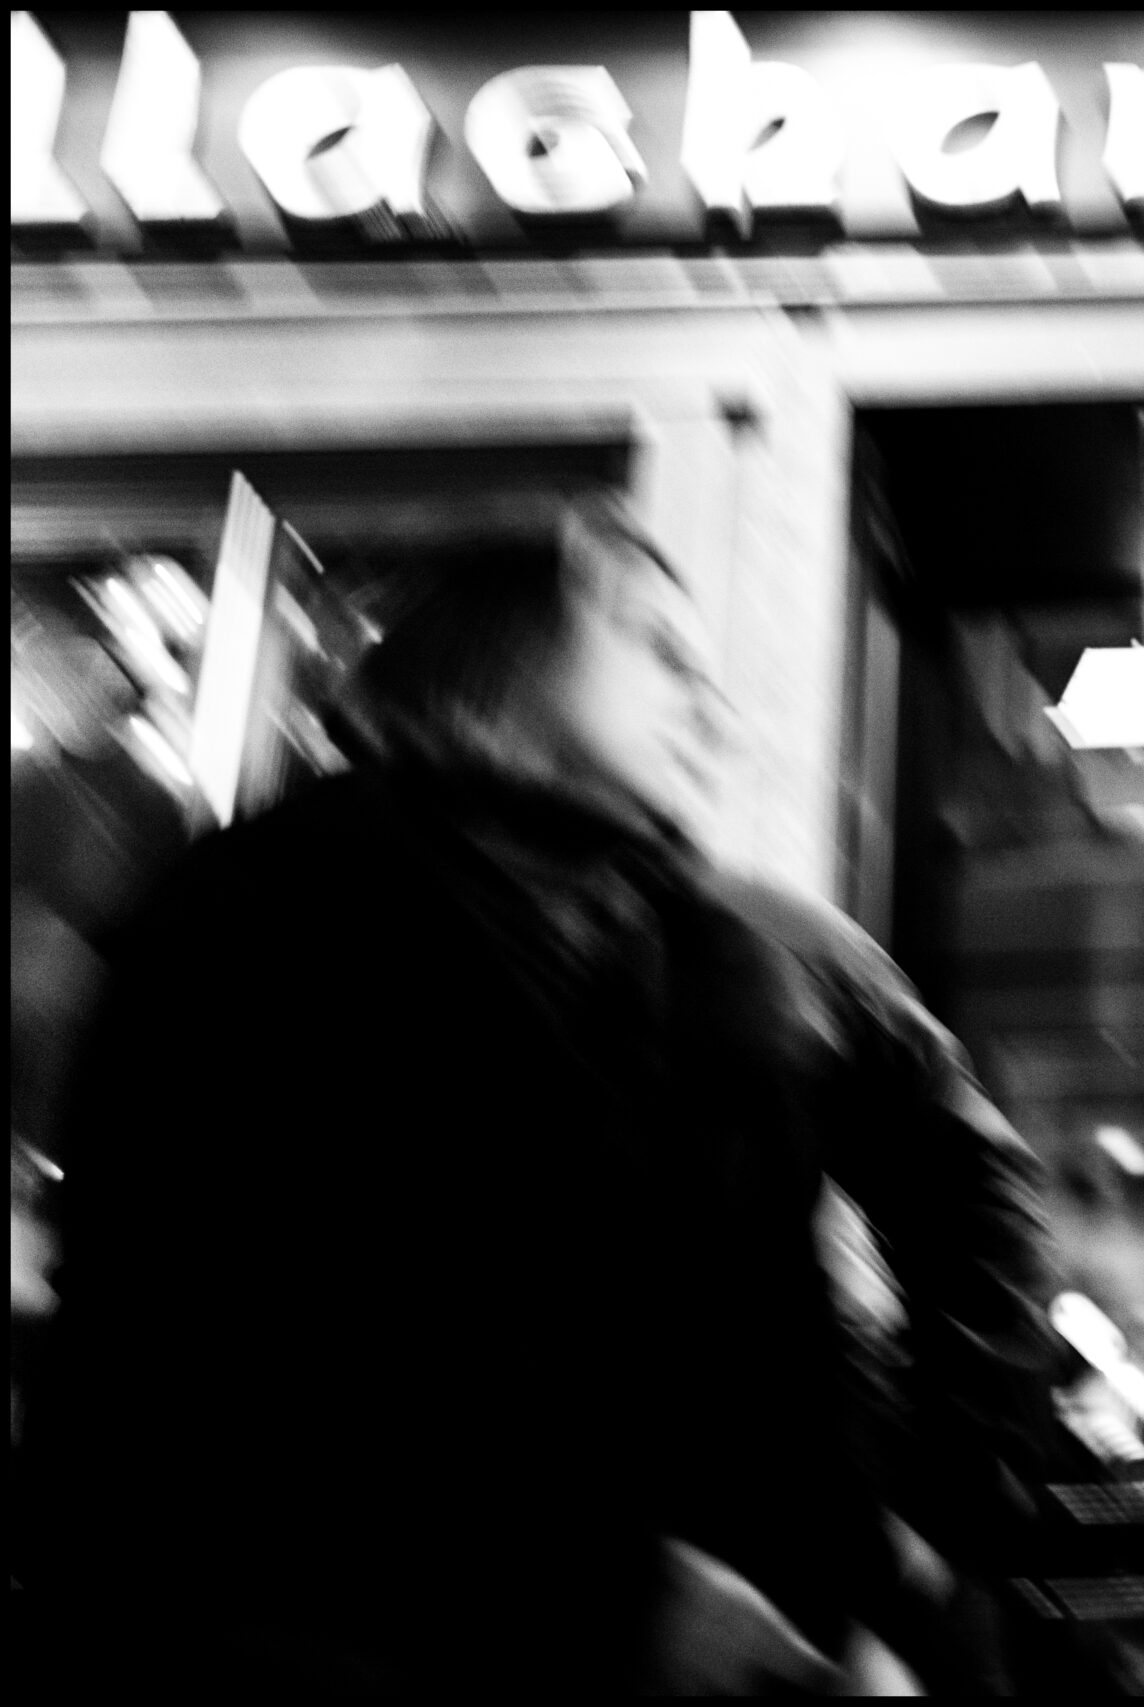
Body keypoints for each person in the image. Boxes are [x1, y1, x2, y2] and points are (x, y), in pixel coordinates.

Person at [19, 496, 1058, 1692]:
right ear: (510, 653)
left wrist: (893, 1561)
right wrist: (616, 1597)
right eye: (657, 650)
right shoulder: (282, 912)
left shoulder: (716, 942)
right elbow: (216, 1371)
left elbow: (780, 1314)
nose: (710, 713)